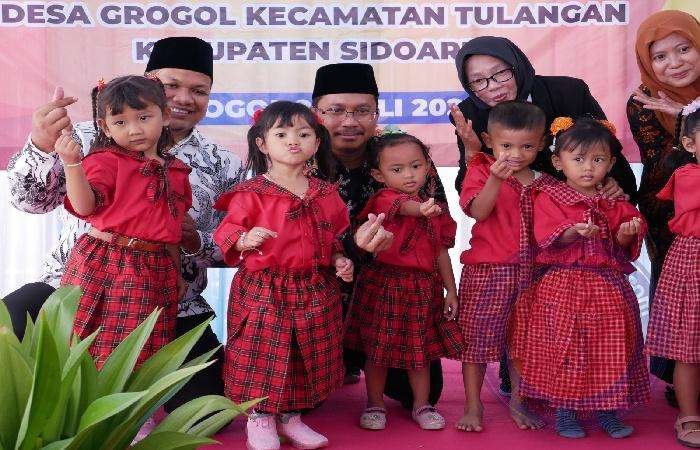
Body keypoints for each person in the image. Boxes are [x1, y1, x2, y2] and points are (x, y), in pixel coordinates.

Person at [5, 36, 242, 410]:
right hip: (73, 285)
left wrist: (194, 239)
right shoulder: (85, 138)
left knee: (206, 411)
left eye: (199, 91)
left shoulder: (223, 163)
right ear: (150, 85)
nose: (184, 98)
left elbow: (231, 247)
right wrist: (41, 145)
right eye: (172, 86)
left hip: (166, 300)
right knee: (8, 328)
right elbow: (30, 202)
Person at [449, 35, 637, 395]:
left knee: (544, 322)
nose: (492, 86)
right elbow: (469, 185)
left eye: (500, 74)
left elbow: (601, 145)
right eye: (479, 81)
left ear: (517, 66)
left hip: (566, 213)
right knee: (499, 328)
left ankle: (564, 385)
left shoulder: (567, 92)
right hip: (512, 234)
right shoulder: (470, 114)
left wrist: (609, 183)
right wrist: (476, 156)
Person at [213, 101, 352, 450]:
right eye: (282, 134)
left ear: (316, 143)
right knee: (260, 352)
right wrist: (244, 239)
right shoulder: (251, 193)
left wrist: (339, 259)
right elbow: (226, 231)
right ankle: (259, 418)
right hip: (264, 286)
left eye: (303, 134)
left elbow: (332, 237)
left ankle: (291, 417)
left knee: (303, 353)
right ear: (262, 143)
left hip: (314, 286)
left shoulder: (325, 193)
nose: (293, 140)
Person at [311, 63, 446, 407]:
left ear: (377, 113)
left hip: (393, 298)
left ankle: (353, 362)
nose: (350, 121)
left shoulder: (401, 155)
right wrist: (350, 246)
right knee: (302, 401)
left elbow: (437, 226)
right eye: (336, 110)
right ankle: (340, 361)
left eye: (362, 111)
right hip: (321, 294)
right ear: (316, 114)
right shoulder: (301, 159)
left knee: (423, 393)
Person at [518, 117, 649, 439]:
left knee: (610, 348)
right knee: (567, 349)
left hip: (608, 288)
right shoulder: (549, 197)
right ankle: (565, 412)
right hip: (563, 286)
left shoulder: (615, 203)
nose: (588, 167)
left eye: (598, 160)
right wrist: (571, 233)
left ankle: (608, 412)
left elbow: (622, 245)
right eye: (578, 159)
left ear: (611, 163)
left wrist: (625, 233)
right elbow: (545, 236)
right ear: (557, 162)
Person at [56, 75, 190, 365]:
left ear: (165, 115)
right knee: (86, 347)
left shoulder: (177, 171)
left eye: (143, 117)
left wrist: (177, 272)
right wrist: (72, 163)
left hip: (156, 268)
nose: (134, 129)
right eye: (120, 122)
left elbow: (171, 230)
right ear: (105, 127)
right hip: (104, 260)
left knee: (140, 354)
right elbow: (84, 207)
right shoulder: (105, 160)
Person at [344, 131, 463, 431]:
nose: (409, 175)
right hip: (385, 285)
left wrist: (451, 290)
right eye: (397, 169)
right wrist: (420, 209)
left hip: (423, 288)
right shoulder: (384, 199)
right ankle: (375, 404)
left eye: (416, 166)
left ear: (428, 166)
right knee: (377, 352)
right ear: (379, 175)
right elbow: (402, 206)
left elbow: (441, 253)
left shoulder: (434, 209)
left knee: (419, 353)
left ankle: (423, 405)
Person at [455, 101, 553, 433]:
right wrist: (495, 179)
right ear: (489, 141)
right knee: (476, 343)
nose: (516, 154)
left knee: (524, 343)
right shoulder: (481, 170)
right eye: (506, 145)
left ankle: (519, 402)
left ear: (541, 144)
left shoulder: (548, 184)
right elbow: (478, 212)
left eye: (527, 146)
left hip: (535, 273)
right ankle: (473, 405)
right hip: (487, 272)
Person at [627, 9, 700, 391]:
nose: (674, 63)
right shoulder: (643, 102)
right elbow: (666, 166)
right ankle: (677, 379)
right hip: (673, 214)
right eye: (660, 56)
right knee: (681, 297)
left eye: (684, 49)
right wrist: (688, 121)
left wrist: (688, 112)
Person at [645, 102, 700, 448]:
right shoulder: (688, 176)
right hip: (694, 264)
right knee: (688, 348)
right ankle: (689, 415)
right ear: (690, 144)